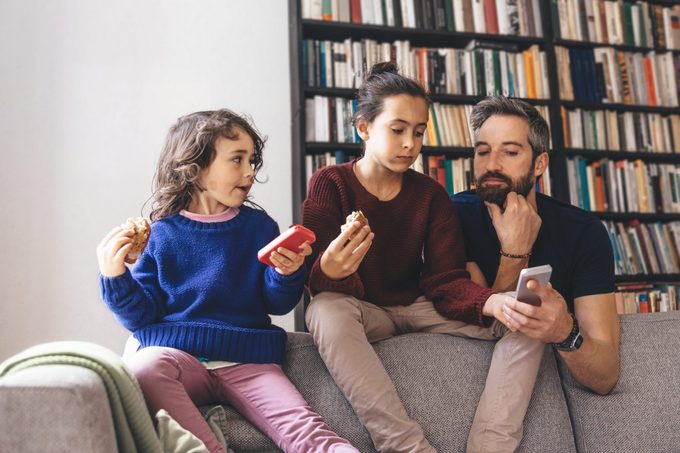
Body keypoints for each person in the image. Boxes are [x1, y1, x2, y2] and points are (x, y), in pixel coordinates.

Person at [302, 62, 545, 453]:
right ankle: (405, 447)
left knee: (530, 316)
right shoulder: (330, 183)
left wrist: (493, 301)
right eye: (397, 130)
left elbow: (445, 281)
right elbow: (315, 282)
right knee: (325, 310)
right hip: (364, 310)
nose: (410, 144)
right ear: (363, 128)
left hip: (420, 305)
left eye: (418, 132)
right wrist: (328, 270)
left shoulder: (431, 195)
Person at [96, 109, 358, 453]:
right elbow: (141, 317)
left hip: (249, 361)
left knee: (309, 435)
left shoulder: (260, 227)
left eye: (252, 161)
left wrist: (286, 272)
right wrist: (114, 276)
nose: (250, 172)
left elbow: (276, 303)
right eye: (237, 159)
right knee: (145, 367)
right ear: (195, 167)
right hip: (179, 356)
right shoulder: (159, 235)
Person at [449, 96, 620, 396]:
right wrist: (515, 253)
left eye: (510, 152)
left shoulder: (584, 233)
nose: (492, 165)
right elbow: (483, 331)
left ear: (539, 163)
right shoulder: (450, 216)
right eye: (482, 152)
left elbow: (605, 376)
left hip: (535, 387)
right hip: (459, 384)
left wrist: (565, 331)